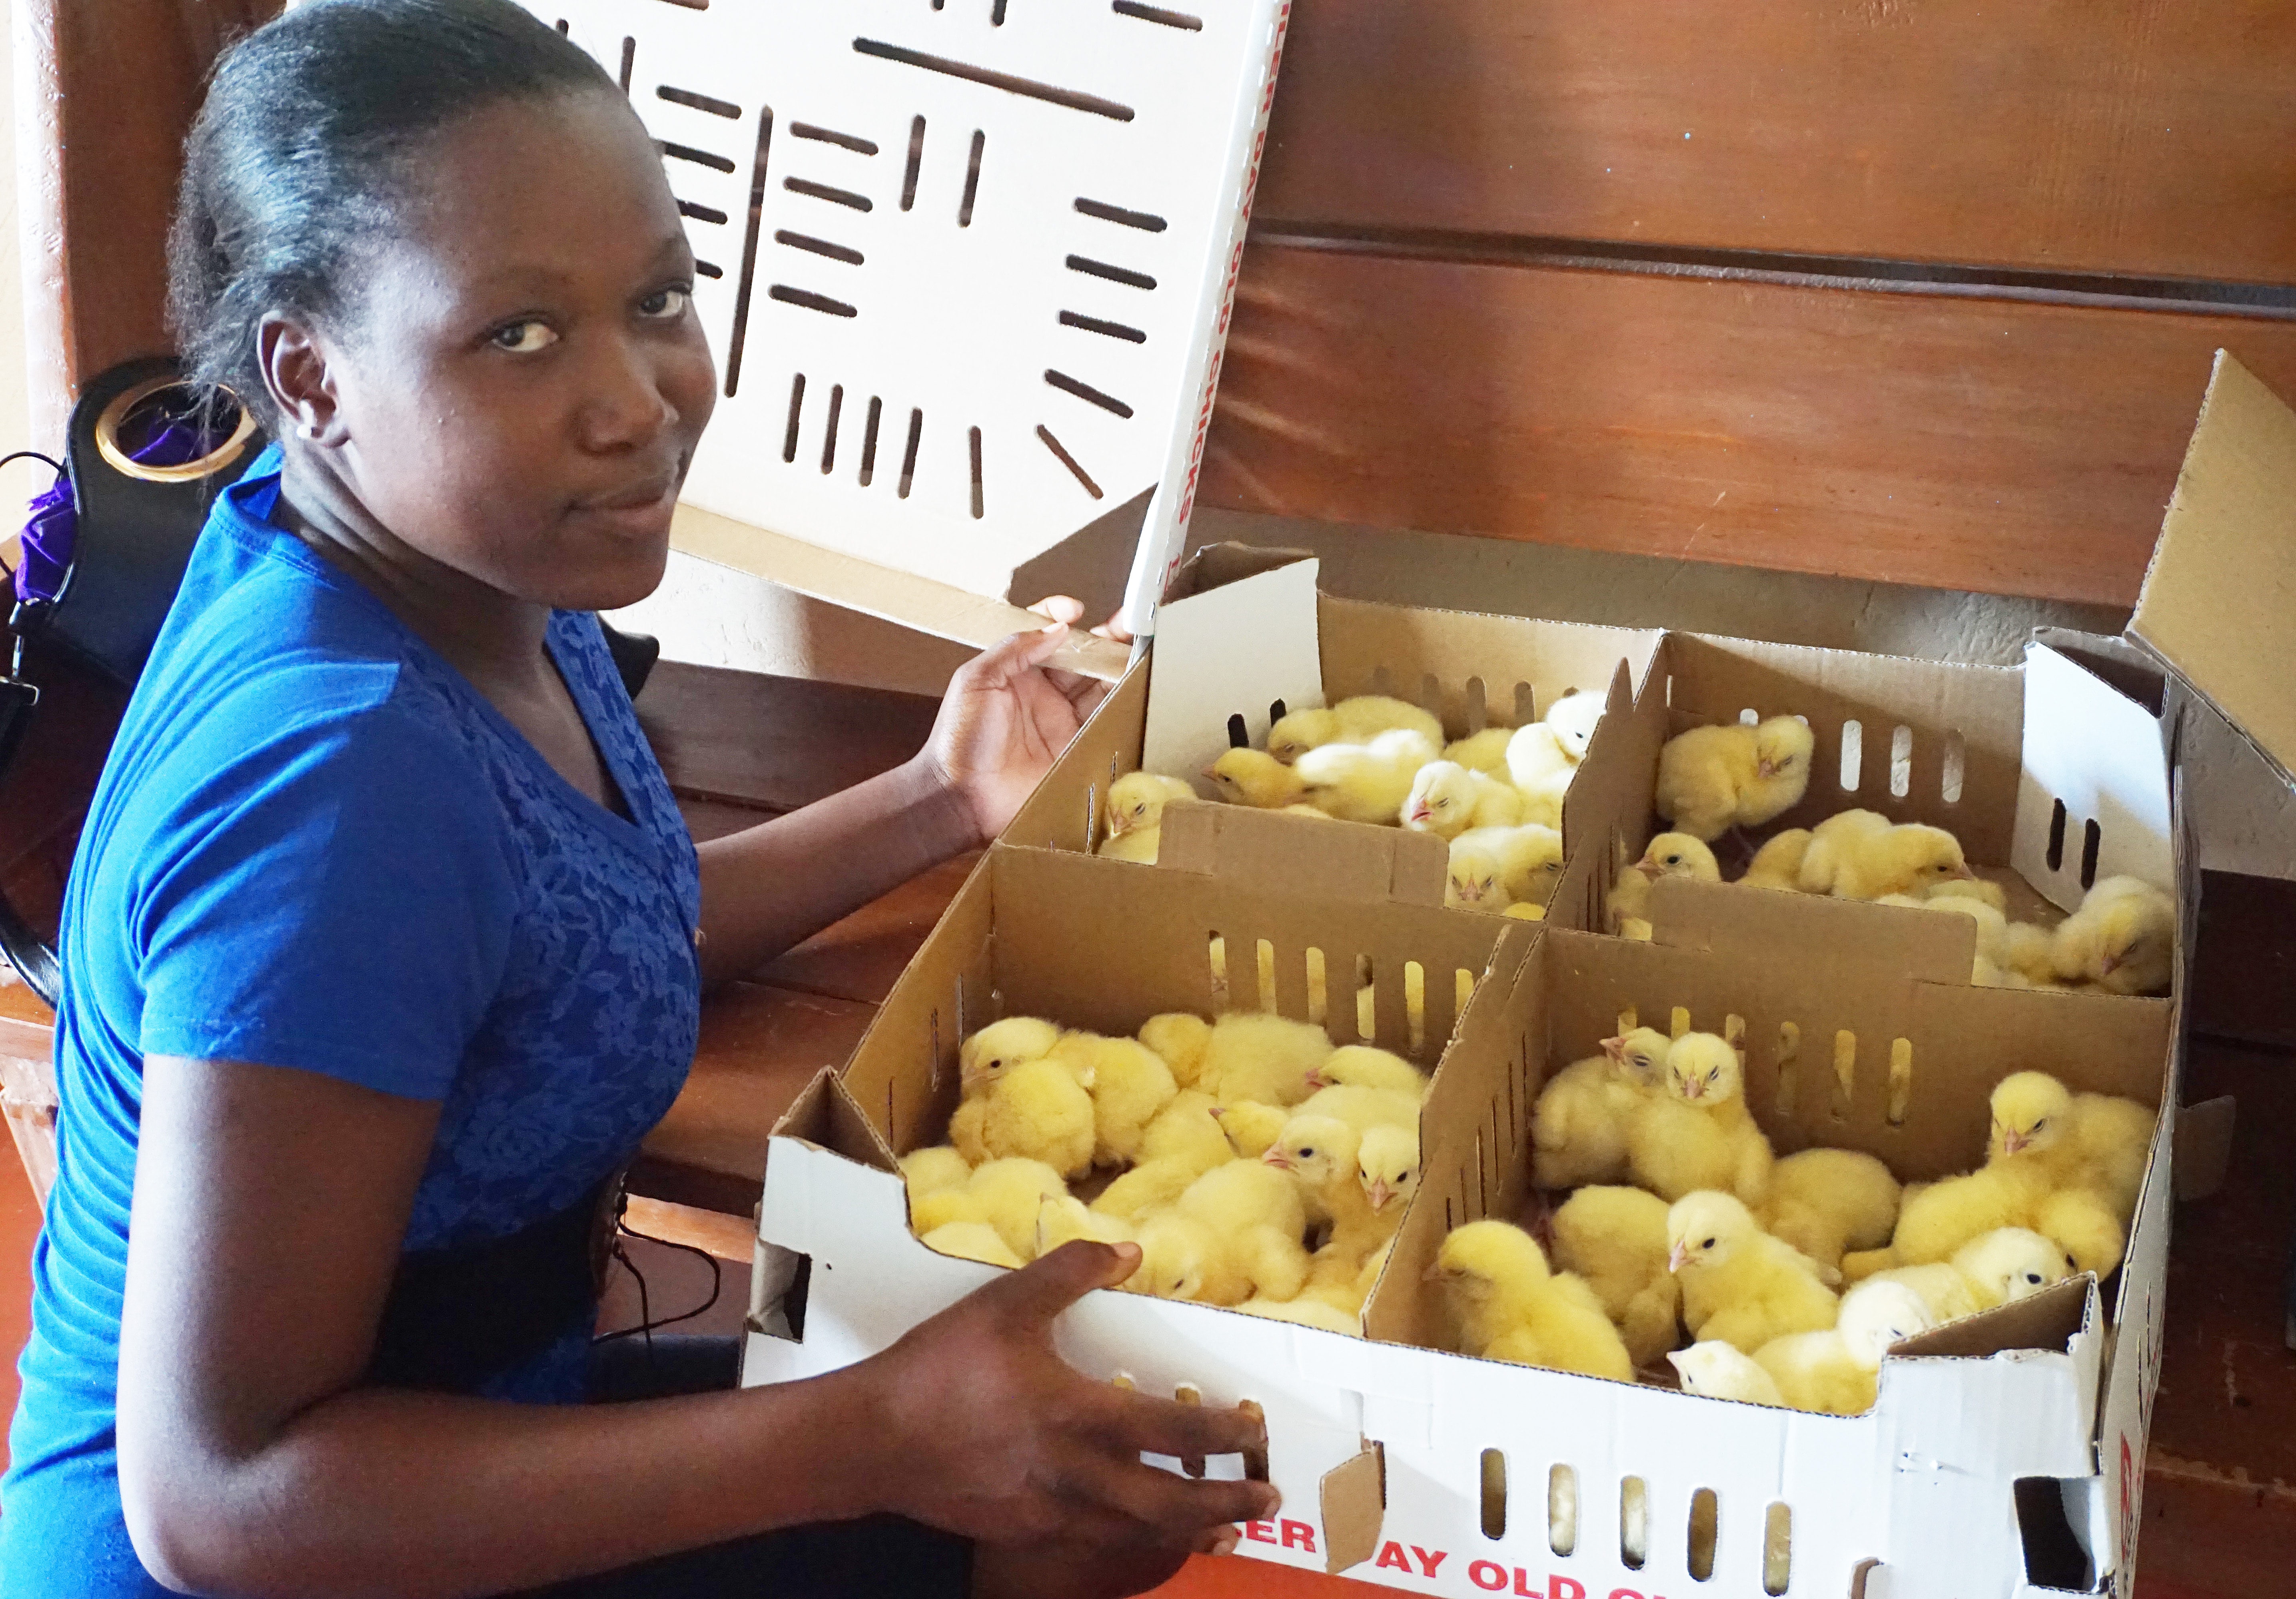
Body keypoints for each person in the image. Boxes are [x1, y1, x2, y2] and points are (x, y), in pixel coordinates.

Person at [0, 3, 1278, 1595]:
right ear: (309, 374)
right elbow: (224, 1499)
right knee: (1039, 1523)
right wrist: (869, 1430)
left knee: (1080, 1483)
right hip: (292, 1544)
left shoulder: (467, 576)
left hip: (466, 1414)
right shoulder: (331, 784)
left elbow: (573, 931)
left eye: (657, 297)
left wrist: (935, 794)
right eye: (517, 336)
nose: (638, 400)